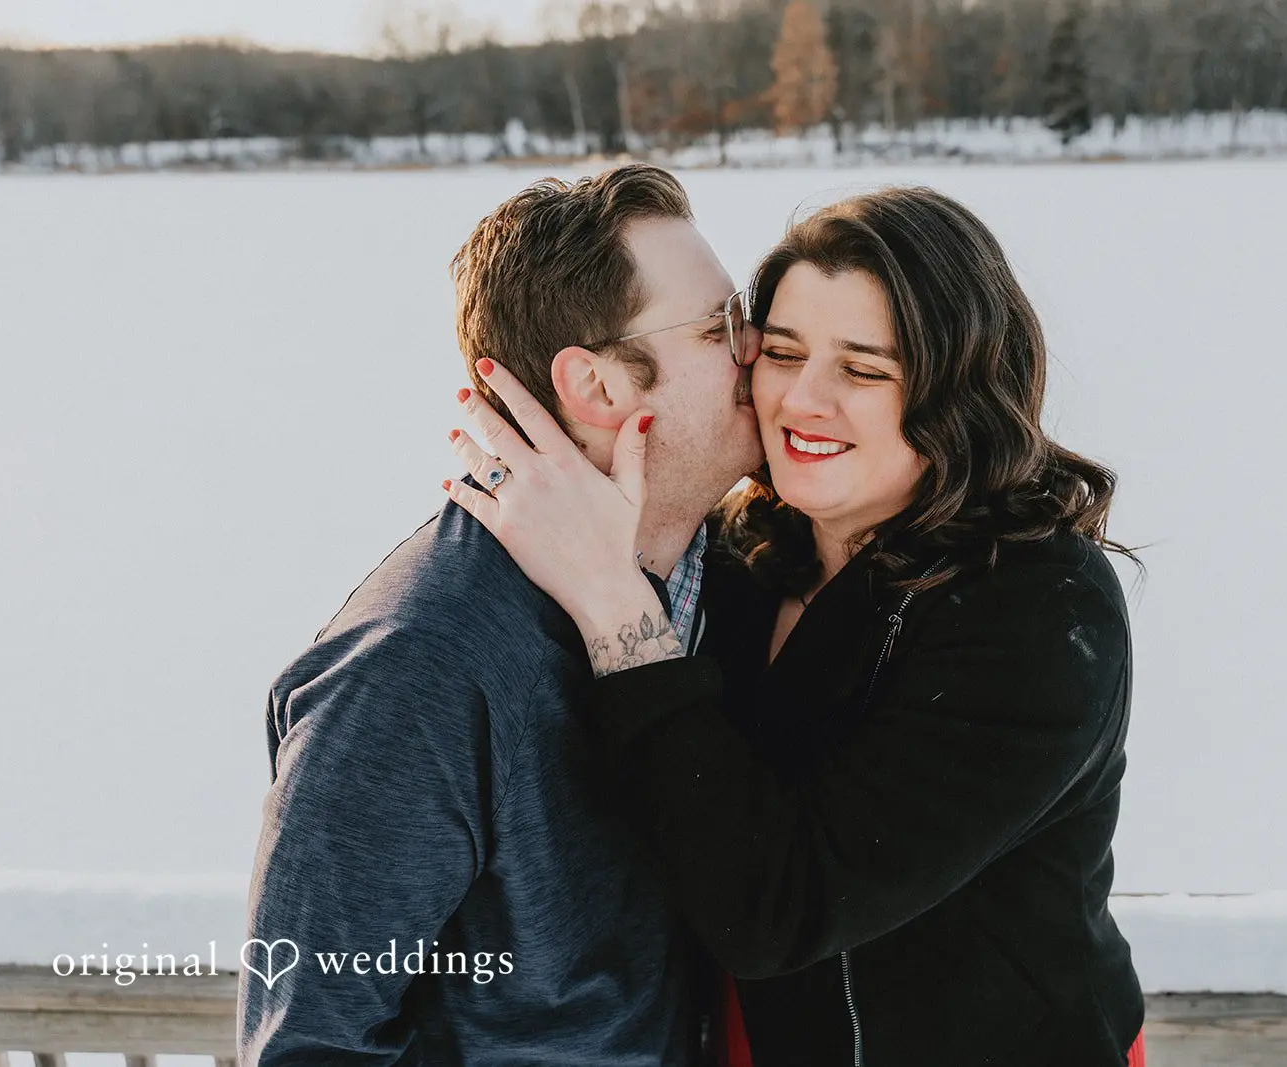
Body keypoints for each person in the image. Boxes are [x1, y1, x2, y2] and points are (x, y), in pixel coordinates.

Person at [442, 186, 1148, 1066]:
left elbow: (776, 908)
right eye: (780, 353)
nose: (802, 400)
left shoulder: (1037, 609)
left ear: (958, 388)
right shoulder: (745, 554)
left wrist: (621, 615)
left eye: (864, 370)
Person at [239, 164, 764, 1064]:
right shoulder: (419, 666)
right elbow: (308, 1043)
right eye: (720, 327)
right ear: (597, 385)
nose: (758, 346)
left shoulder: (718, 580)